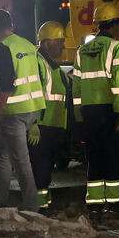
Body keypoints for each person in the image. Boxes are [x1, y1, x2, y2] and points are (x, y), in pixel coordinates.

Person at [72, 4, 119, 220]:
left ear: (98, 24)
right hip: (109, 111)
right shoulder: (117, 47)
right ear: (114, 24)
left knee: (94, 158)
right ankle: (114, 204)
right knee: (113, 156)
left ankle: (94, 205)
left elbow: (76, 87)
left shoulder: (82, 50)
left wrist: (79, 116)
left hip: (88, 113)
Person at [0, 9, 44, 212]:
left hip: (13, 112)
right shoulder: (26, 44)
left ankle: (31, 206)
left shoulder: (3, 49)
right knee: (2, 153)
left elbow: (4, 87)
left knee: (20, 160)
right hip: (31, 108)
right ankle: (0, 200)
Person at [33, 21, 70, 210]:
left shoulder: (52, 66)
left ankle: (44, 206)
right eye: (59, 41)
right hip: (41, 127)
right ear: (47, 43)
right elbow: (33, 93)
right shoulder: (38, 63)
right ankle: (40, 208)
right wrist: (33, 123)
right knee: (40, 169)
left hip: (52, 126)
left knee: (46, 170)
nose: (63, 45)